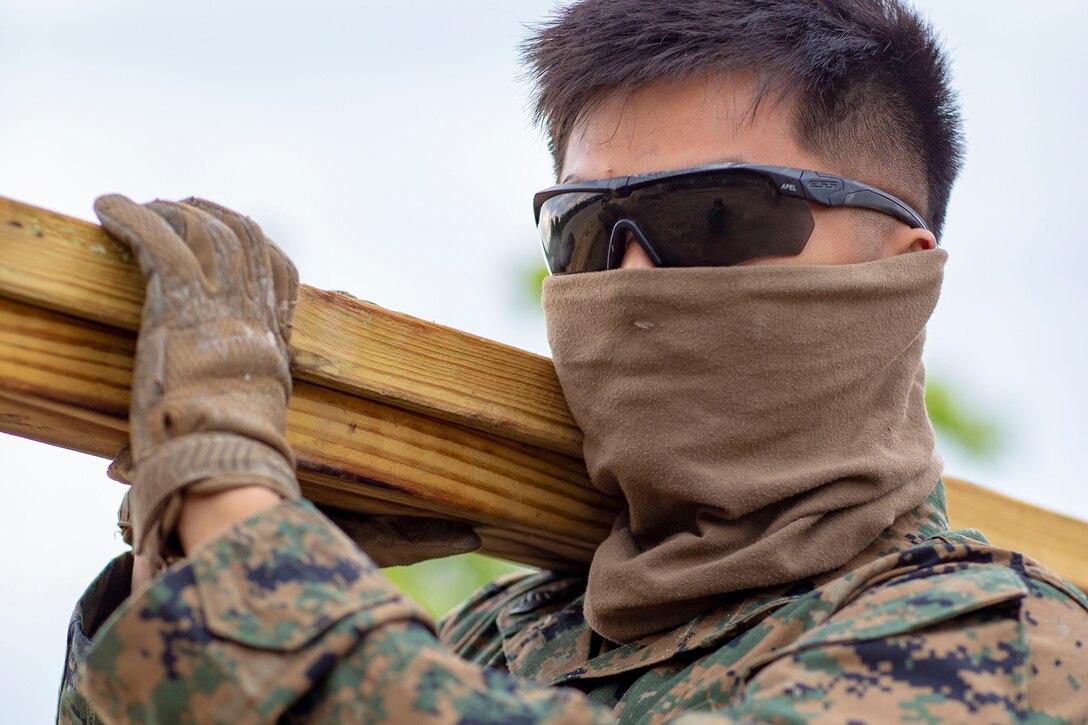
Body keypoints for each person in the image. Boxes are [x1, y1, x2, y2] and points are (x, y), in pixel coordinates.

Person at [58, 0, 1088, 722]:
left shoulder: (1008, 643)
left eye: (714, 215)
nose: (630, 278)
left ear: (898, 272)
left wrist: (236, 509)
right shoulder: (503, 639)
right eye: (588, 229)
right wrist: (183, 567)